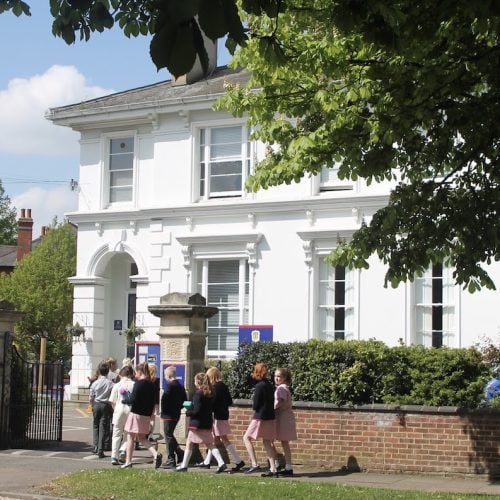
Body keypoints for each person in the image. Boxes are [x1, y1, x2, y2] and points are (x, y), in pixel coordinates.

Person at [176, 372, 227, 473]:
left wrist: (188, 412)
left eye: (195, 381)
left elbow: (197, 410)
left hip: (197, 424)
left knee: (189, 443)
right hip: (207, 422)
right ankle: (221, 463)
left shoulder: (198, 394)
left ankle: (184, 465)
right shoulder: (210, 394)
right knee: (210, 444)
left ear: (198, 382)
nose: (194, 382)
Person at [196, 367, 245, 472]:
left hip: (217, 417)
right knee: (214, 439)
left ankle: (238, 460)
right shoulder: (223, 386)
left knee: (222, 439)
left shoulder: (215, 387)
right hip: (224, 415)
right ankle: (207, 461)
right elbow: (229, 401)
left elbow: (212, 403)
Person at [120, 362, 162, 469]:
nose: (135, 375)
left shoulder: (138, 384)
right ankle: (156, 454)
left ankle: (128, 462)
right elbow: (153, 401)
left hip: (136, 413)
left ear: (139, 372)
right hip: (146, 415)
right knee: (143, 438)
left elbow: (133, 399)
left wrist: (125, 400)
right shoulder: (151, 384)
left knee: (130, 437)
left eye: (136, 372)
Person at [242, 362, 277, 477]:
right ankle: (273, 468)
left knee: (246, 437)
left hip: (260, 417)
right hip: (270, 416)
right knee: (267, 441)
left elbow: (256, 404)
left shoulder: (259, 386)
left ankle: (254, 464)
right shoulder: (269, 385)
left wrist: (256, 407)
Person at [160, 365, 187, 469]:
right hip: (176, 413)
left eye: (165, 375)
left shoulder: (169, 386)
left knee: (168, 436)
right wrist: (178, 407)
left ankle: (171, 459)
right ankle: (180, 453)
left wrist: (164, 411)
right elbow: (184, 400)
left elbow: (164, 400)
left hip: (168, 414)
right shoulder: (180, 386)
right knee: (170, 434)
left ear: (168, 375)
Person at [272, 367, 297, 476]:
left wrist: (272, 409)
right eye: (275, 376)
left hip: (282, 418)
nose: (276, 378)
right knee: (283, 442)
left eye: (279, 376)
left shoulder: (281, 389)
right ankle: (286, 466)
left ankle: (278, 464)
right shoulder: (285, 387)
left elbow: (280, 402)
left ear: (284, 378)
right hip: (285, 417)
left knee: (270, 440)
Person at [109, 365, 135, 465]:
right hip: (130, 410)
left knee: (116, 433)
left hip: (119, 409)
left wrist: (115, 409)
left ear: (121, 374)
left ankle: (114, 456)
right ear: (131, 374)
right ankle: (123, 449)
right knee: (129, 434)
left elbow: (112, 401)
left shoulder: (117, 385)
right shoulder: (134, 385)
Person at [89, 362, 114, 458]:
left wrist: (91, 404)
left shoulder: (95, 383)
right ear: (107, 372)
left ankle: (95, 446)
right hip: (105, 405)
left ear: (99, 371)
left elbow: (91, 396)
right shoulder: (110, 383)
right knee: (103, 427)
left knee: (95, 425)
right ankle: (100, 449)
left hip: (96, 404)